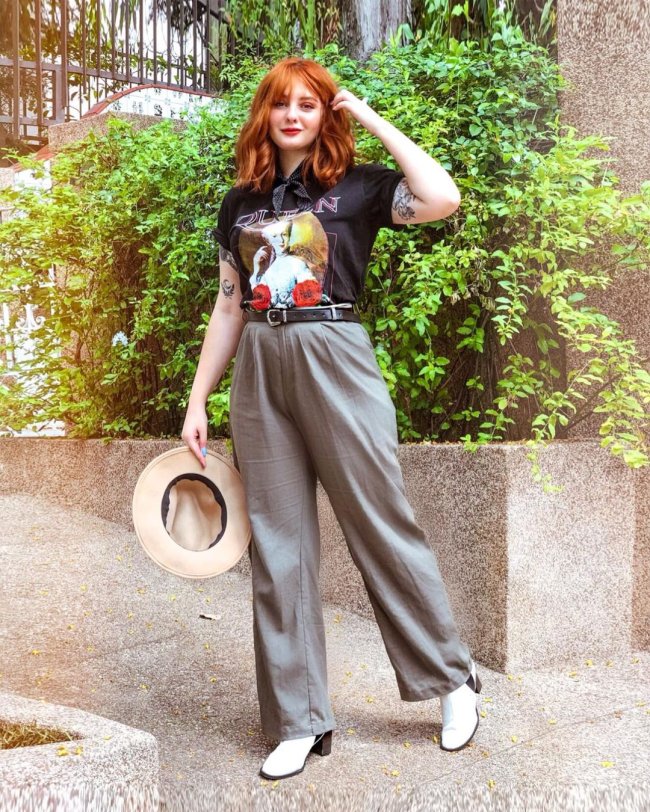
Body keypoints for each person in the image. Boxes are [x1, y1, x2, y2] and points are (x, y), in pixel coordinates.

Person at [181, 55, 482, 781]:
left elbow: (441, 197)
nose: (293, 115)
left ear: (325, 115)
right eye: (281, 104)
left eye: (308, 105)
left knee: (380, 522)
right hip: (260, 363)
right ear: (265, 115)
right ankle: (297, 718)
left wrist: (372, 120)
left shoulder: (356, 188)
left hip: (335, 352)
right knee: (278, 544)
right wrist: (198, 399)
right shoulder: (239, 203)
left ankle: (450, 681)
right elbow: (229, 304)